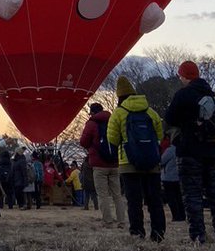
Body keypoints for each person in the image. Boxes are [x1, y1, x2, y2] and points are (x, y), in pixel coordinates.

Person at [164, 60, 215, 243]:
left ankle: (198, 236)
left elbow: (169, 117)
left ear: (184, 76)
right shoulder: (213, 95)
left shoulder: (183, 95)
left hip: (190, 151)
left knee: (192, 195)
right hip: (213, 151)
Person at [108, 76, 166, 241]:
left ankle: (137, 233)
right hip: (151, 161)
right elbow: (160, 136)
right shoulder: (151, 111)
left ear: (119, 96)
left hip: (129, 163)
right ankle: (158, 233)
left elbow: (112, 139)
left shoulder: (119, 113)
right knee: (154, 199)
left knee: (134, 201)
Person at [79, 102, 125, 228]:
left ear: (92, 112)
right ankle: (122, 222)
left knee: (103, 195)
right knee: (117, 195)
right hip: (115, 163)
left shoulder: (92, 123)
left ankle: (108, 222)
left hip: (99, 164)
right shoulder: (113, 121)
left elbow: (83, 142)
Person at [159, 139, 185, 222]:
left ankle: (176, 216)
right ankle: (182, 215)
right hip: (178, 177)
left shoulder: (170, 150)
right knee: (179, 197)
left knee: (171, 198)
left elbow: (161, 161)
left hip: (168, 178)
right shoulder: (182, 149)